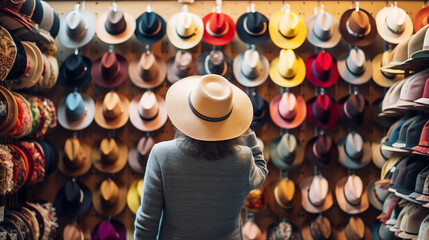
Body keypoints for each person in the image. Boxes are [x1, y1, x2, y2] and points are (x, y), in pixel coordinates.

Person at [134, 74, 268, 239]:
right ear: (230, 120)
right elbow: (261, 171)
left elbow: (147, 220)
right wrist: (247, 133)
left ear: (187, 114)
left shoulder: (162, 155)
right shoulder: (244, 159)